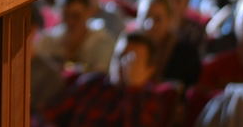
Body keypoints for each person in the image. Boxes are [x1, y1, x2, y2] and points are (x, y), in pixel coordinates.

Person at [40, 32, 182, 127]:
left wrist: (132, 88)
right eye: (119, 56)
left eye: (131, 60)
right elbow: (50, 113)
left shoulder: (151, 101)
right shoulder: (93, 82)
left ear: (149, 69)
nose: (122, 64)